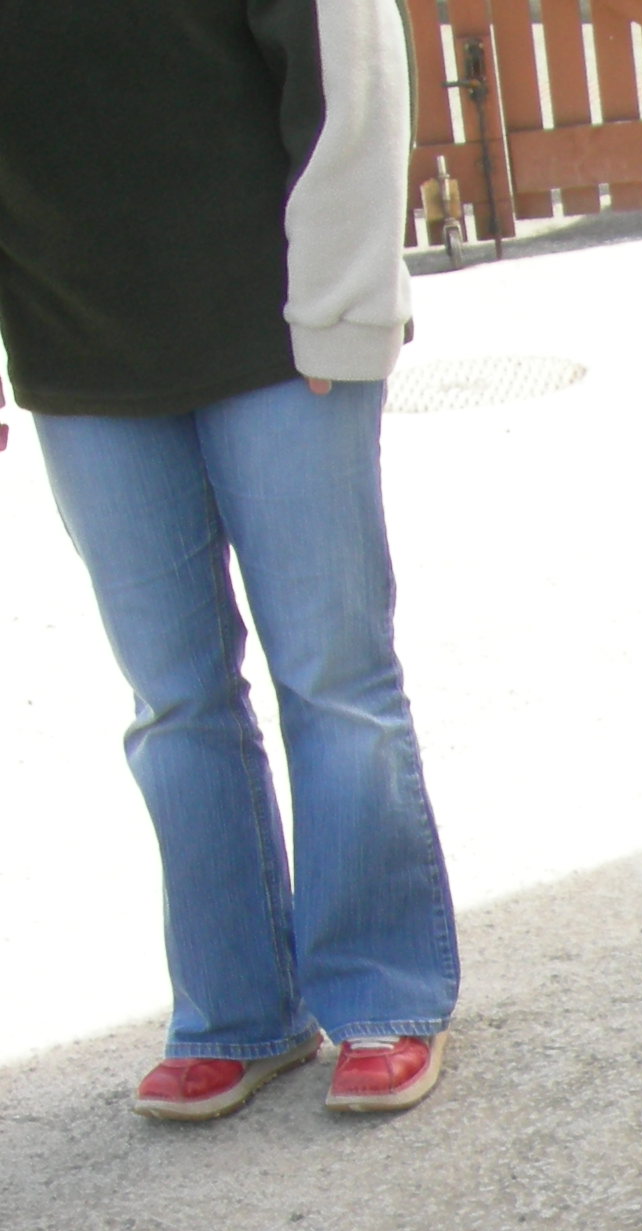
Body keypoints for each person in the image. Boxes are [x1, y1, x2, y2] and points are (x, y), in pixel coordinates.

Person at [0, 0, 459, 1121]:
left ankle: (383, 994)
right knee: (174, 701)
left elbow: (352, 69)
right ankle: (235, 1015)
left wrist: (345, 303)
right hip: (77, 353)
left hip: (283, 336)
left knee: (333, 676)